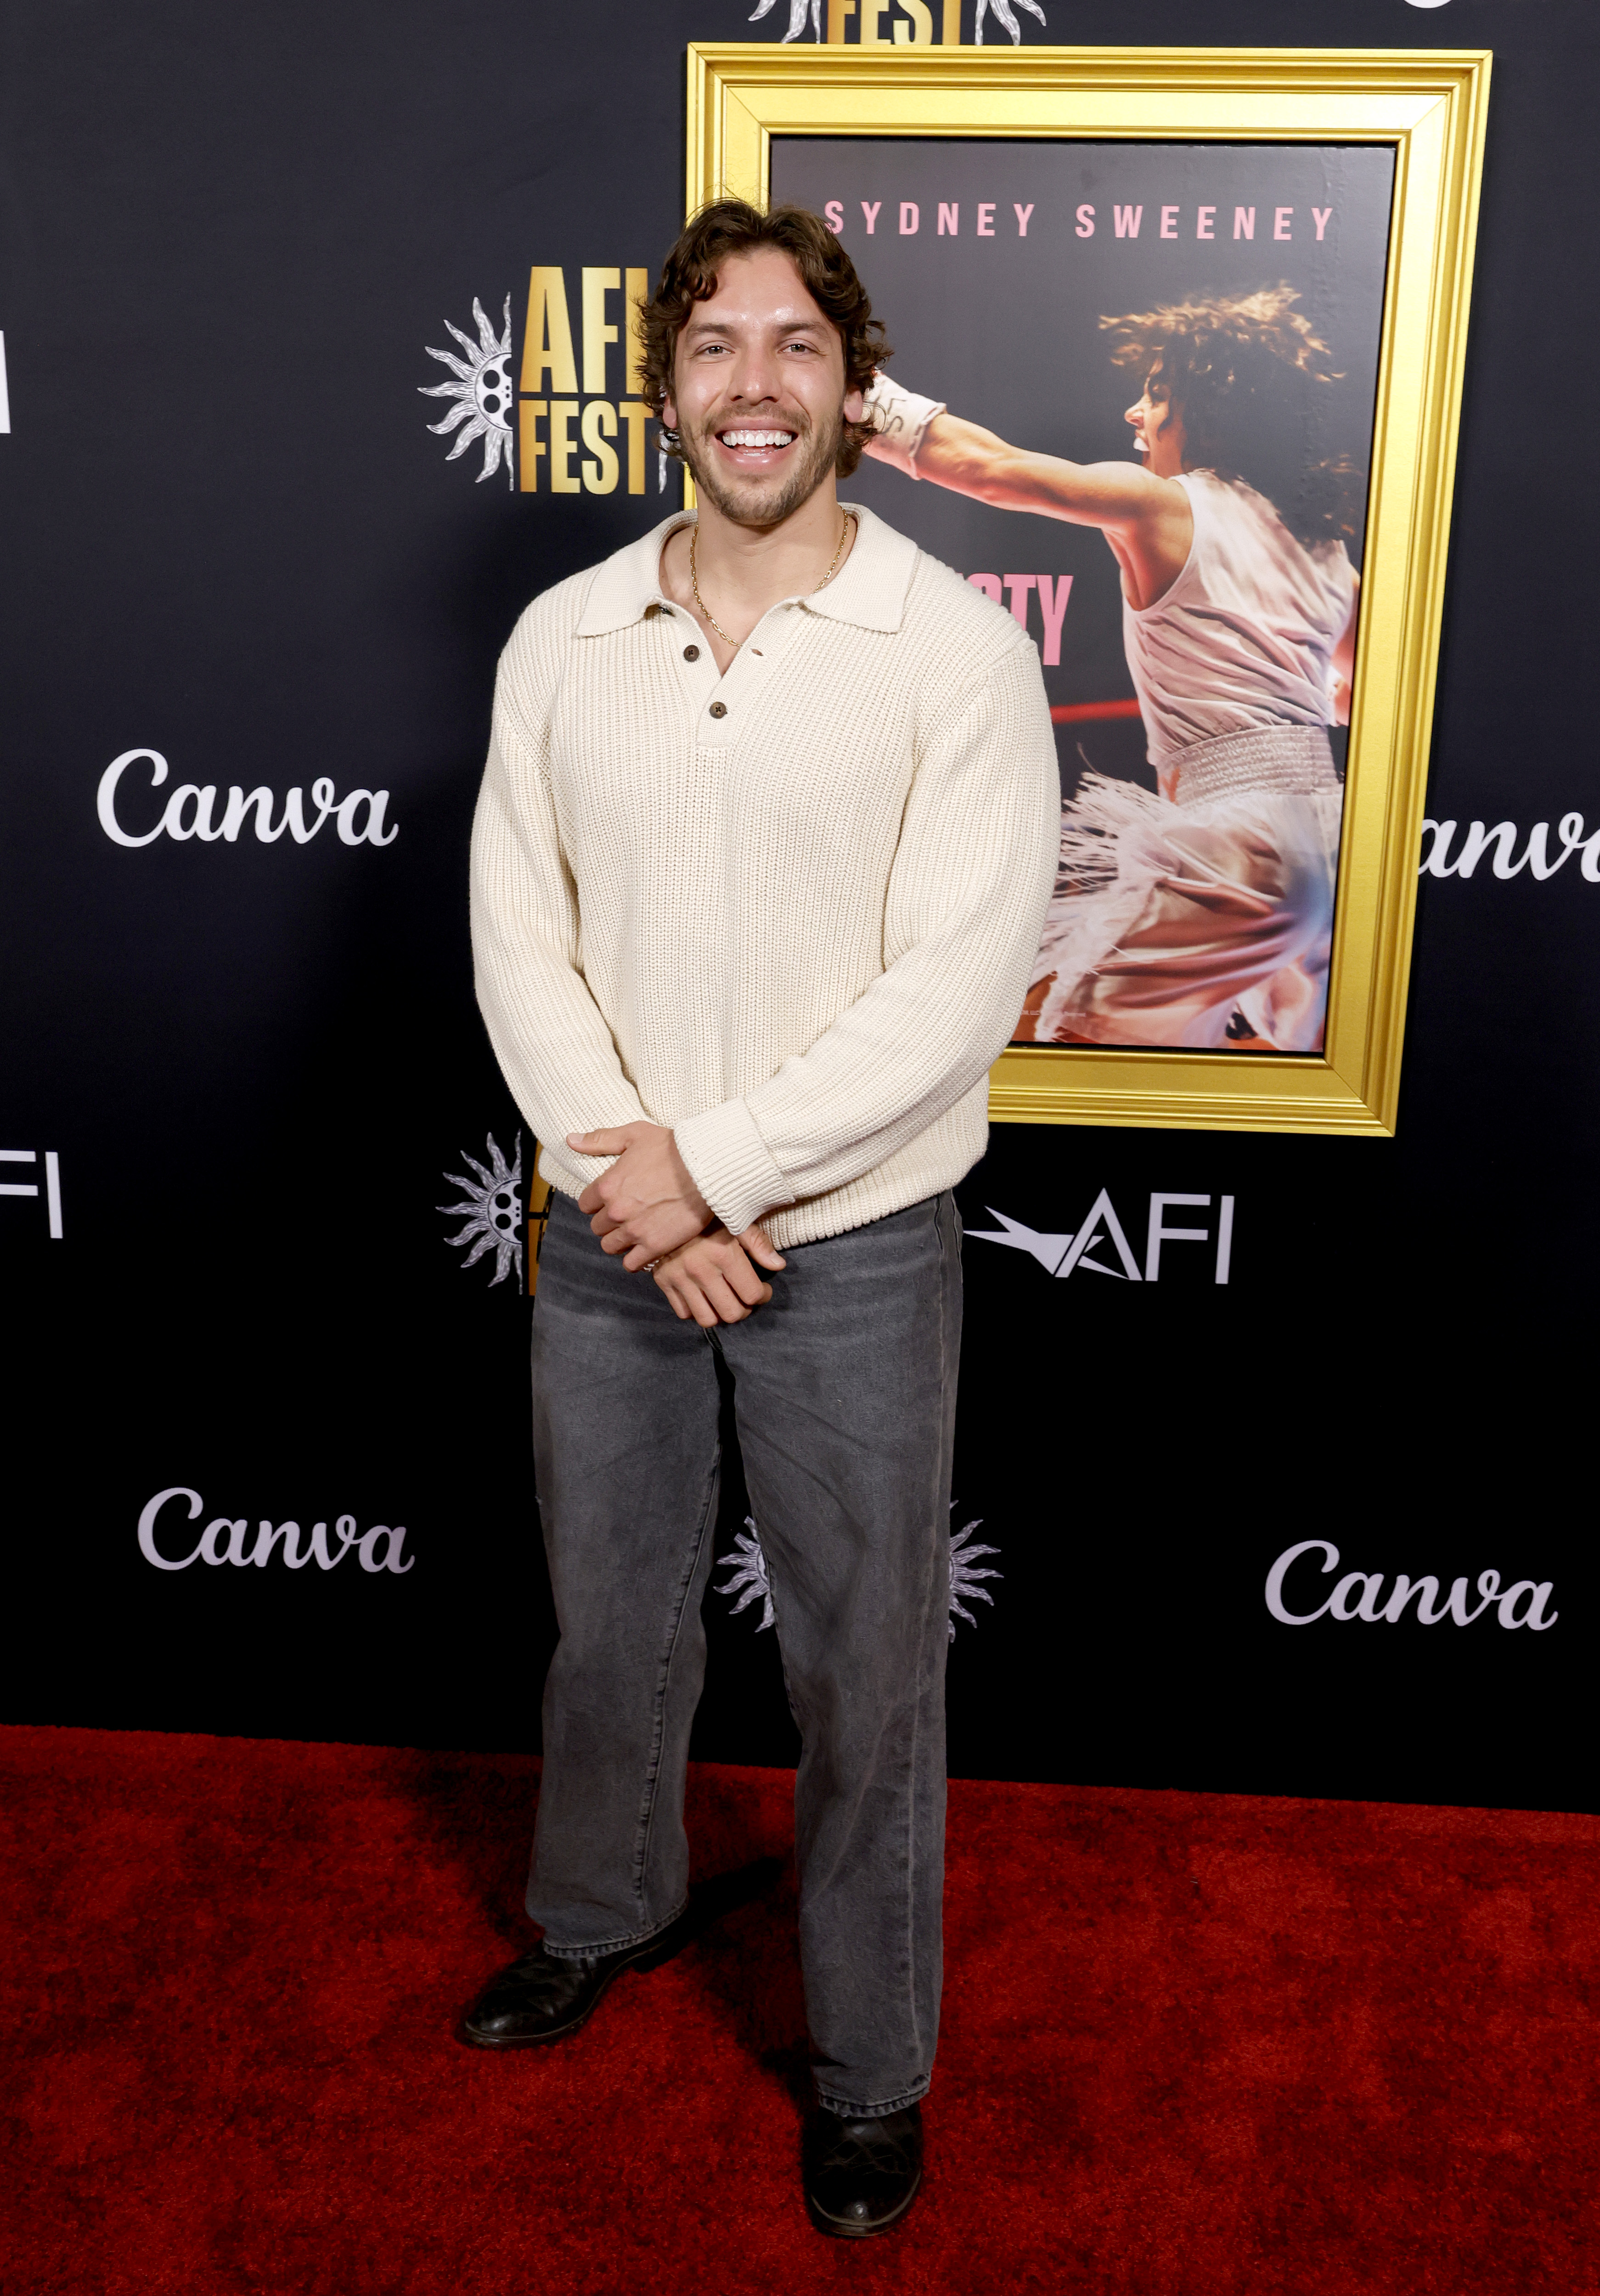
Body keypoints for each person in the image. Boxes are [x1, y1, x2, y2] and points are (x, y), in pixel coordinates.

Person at [463, 198, 1057, 2238]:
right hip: (612, 1225)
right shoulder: (560, 638)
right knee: (609, 1620)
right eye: (714, 342)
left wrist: (709, 1170)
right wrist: (636, 1179)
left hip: (851, 1240)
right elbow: (518, 935)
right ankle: (600, 1911)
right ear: (665, 388)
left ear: (854, 389)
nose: (754, 382)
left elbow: (951, 987)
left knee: (863, 1670)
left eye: (796, 344)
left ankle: (871, 2066)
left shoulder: (956, 650)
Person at [865, 286, 1362, 1051]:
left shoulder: (1162, 505)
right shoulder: (1326, 552)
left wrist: (850, 391)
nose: (1135, 412)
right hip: (1331, 852)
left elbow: (990, 467)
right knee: (1268, 1076)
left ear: (1211, 411)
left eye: (1157, 394)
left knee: (1080, 1044)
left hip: (1245, 845)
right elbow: (1363, 695)